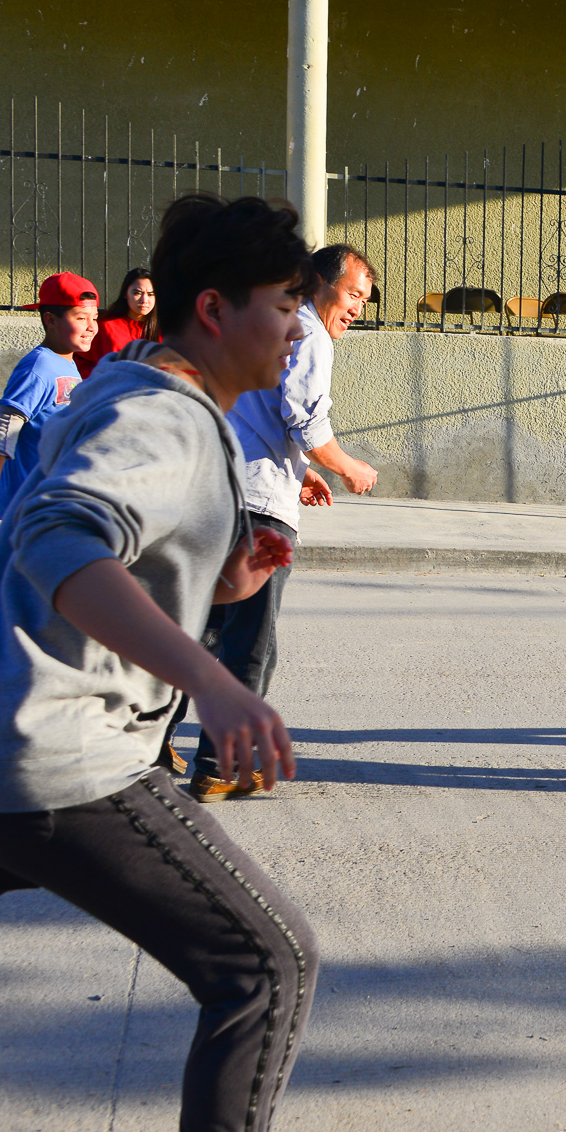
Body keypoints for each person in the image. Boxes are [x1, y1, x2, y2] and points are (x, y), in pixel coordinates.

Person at [0, 192, 321, 1132]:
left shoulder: (119, 387)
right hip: (55, 769)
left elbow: (104, 543)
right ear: (213, 308)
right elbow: (59, 538)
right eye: (283, 303)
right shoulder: (165, 418)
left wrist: (223, 576)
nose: (298, 325)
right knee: (267, 967)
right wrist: (216, 684)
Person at [171, 242, 380, 801]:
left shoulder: (270, 326)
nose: (359, 307)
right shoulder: (308, 331)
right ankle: (220, 763)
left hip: (223, 491)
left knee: (204, 632)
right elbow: (305, 417)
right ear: (318, 282)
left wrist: (304, 469)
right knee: (250, 643)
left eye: (365, 298)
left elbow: (260, 412)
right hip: (261, 508)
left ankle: (150, 741)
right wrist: (347, 468)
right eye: (354, 293)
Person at [0, 272, 98, 533]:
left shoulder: (67, 363)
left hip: (57, 502)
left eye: (94, 318)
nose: (91, 327)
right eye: (81, 318)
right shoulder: (38, 367)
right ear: (50, 320)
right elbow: (4, 430)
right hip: (31, 507)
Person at [77, 267, 158, 377]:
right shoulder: (105, 325)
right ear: (125, 293)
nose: (144, 300)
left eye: (150, 294)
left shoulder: (166, 329)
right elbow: (78, 359)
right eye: (137, 293)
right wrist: (101, 378)